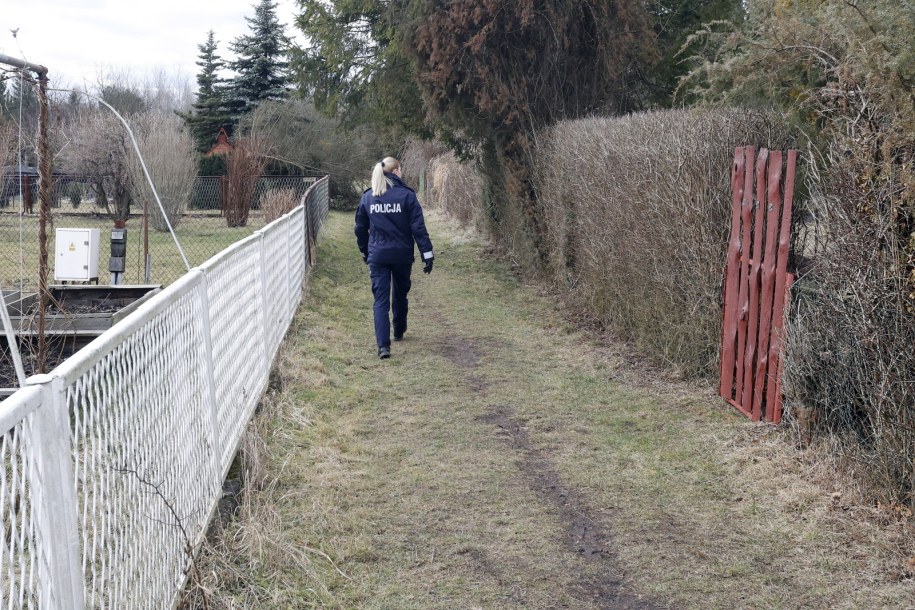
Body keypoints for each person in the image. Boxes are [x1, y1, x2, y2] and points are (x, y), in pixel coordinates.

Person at [355, 156, 434, 359]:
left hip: (378, 256)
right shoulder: (407, 196)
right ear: (396, 171)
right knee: (400, 294)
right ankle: (398, 330)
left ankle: (383, 347)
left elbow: (360, 229)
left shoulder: (368, 197)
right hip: (401, 255)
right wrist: (427, 255)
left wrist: (365, 251)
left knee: (380, 301)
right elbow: (418, 229)